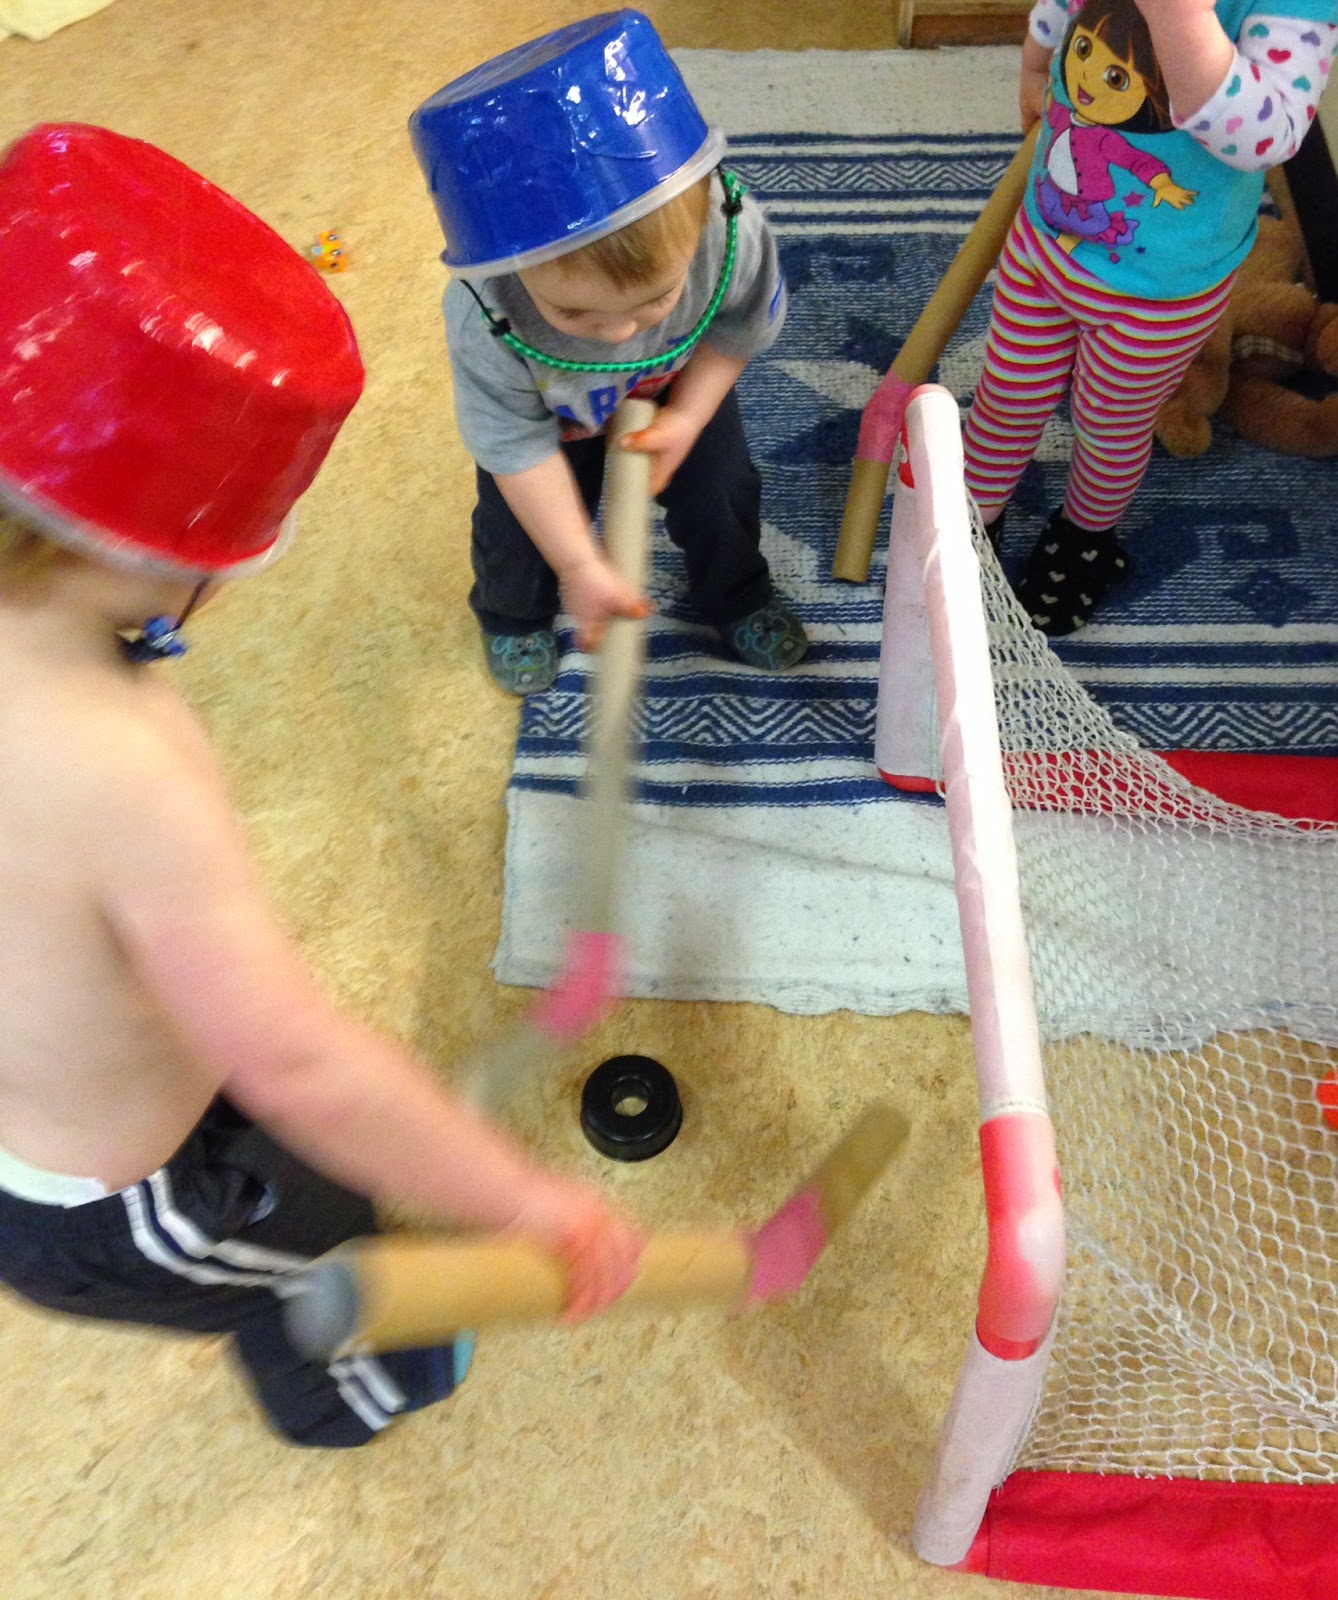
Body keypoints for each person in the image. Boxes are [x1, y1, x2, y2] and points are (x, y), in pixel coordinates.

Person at [0, 123, 641, 1449]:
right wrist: (532, 1205)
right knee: (321, 1256)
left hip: (52, 1105)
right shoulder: (118, 756)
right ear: (163, 549)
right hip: (131, 1201)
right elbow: (298, 1063)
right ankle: (355, 1391)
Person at [410, 9, 808, 694]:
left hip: (679, 386)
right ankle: (511, 616)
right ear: (509, 266)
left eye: (655, 298)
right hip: (551, 421)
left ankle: (737, 594)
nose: (622, 332)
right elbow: (513, 447)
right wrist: (579, 564)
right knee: (516, 531)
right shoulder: (486, 313)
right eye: (574, 312)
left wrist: (688, 418)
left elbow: (738, 328)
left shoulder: (727, 229)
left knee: (724, 491)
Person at [964, 0, 1338, 634]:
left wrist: (1180, 17)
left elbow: (1267, 139)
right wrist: (1035, 66)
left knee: (1109, 423)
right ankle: (969, 527)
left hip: (1160, 293)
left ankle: (1082, 541)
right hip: (1047, 243)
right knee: (1006, 393)